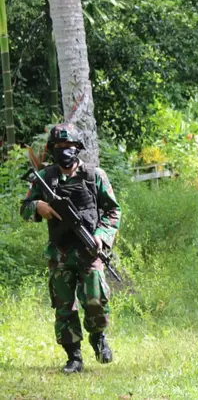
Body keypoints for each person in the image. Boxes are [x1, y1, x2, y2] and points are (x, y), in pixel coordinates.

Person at [20, 123, 122, 373]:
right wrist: (38, 208)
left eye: (69, 147)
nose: (64, 151)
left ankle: (98, 337)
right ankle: (73, 357)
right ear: (52, 149)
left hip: (89, 251)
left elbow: (112, 211)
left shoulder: (95, 175)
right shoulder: (45, 178)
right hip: (60, 253)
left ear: (78, 148)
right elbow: (24, 208)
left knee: (95, 300)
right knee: (64, 307)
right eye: (59, 147)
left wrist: (101, 236)